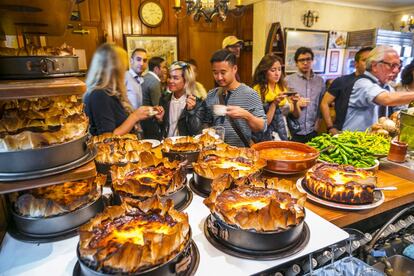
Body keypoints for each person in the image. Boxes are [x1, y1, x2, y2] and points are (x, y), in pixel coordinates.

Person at [84, 44, 155, 136]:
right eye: (123, 66)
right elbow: (107, 138)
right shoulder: (99, 95)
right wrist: (135, 116)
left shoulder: (109, 92)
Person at [203, 49, 267, 147]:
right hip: (216, 154)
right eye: (215, 73)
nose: (219, 77)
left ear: (234, 69)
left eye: (223, 72)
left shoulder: (249, 94)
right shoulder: (212, 95)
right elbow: (206, 122)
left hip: (241, 154)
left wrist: (246, 115)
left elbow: (262, 126)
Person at [343, 45, 414, 131]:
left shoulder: (387, 87)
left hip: (373, 141)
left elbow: (400, 109)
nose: (396, 71)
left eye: (398, 66)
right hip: (353, 141)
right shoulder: (362, 83)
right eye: (392, 65)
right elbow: (386, 99)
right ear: (374, 65)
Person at [320, 47, 373, 135]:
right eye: (365, 60)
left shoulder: (376, 84)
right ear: (356, 64)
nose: (369, 64)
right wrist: (330, 127)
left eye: (372, 61)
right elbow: (324, 103)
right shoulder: (341, 81)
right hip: (342, 132)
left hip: (369, 135)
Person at [252, 54, 301, 141]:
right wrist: (274, 104)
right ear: (264, 71)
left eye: (279, 69)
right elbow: (263, 124)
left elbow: (296, 115)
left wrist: (295, 102)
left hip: (285, 133)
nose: (277, 73)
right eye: (273, 70)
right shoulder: (257, 90)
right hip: (268, 137)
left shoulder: (282, 87)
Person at [285, 47, 325, 143]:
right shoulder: (288, 80)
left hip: (312, 131)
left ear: (312, 61)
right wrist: (296, 103)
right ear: (296, 63)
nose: (305, 63)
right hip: (293, 130)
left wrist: (317, 125)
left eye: (308, 59)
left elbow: (321, 105)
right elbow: (283, 105)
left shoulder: (320, 81)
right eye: (302, 60)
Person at [155, 61, 205, 138]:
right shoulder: (164, 99)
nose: (170, 81)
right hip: (167, 145)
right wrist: (160, 120)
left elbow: (196, 132)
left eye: (175, 78)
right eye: (169, 77)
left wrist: (191, 111)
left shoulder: (197, 102)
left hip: (186, 146)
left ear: (186, 80)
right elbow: (161, 130)